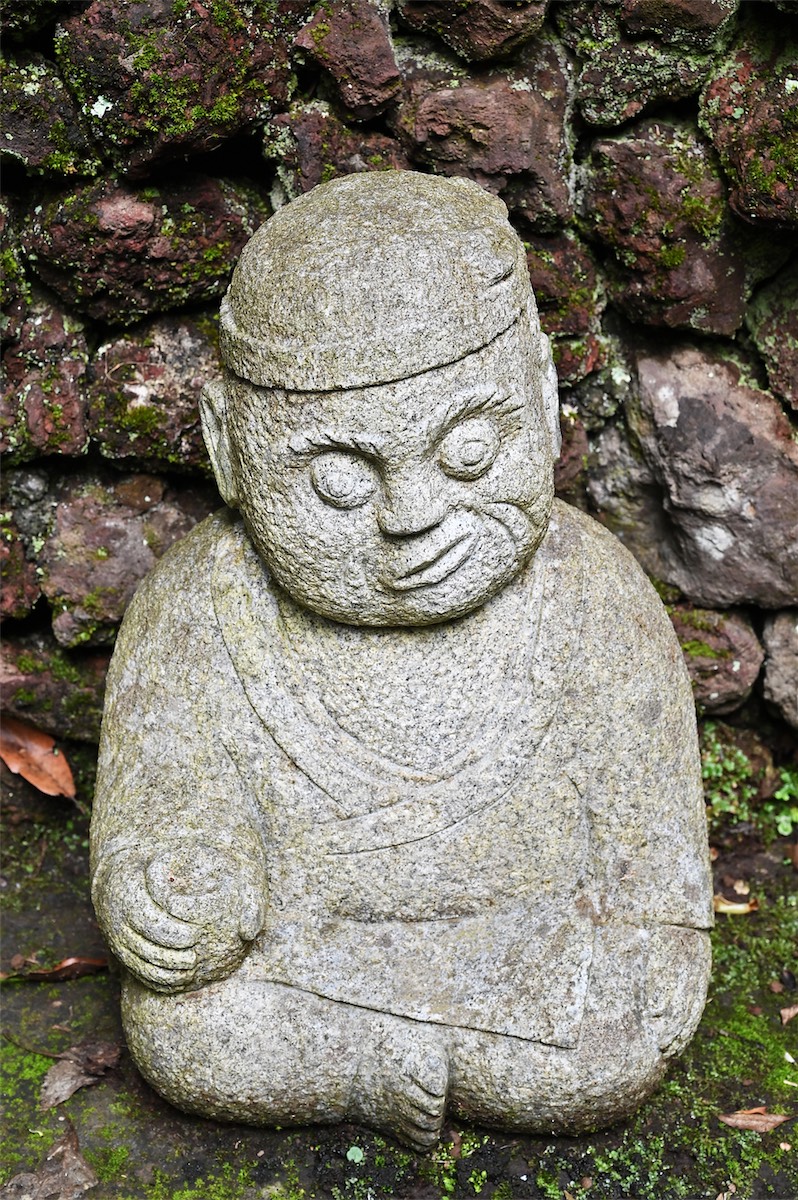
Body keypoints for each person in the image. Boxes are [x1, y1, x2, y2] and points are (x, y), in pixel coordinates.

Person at [91, 171, 712, 1149]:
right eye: (340, 478)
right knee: (186, 1029)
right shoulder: (198, 607)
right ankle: (362, 1068)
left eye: (467, 451)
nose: (413, 515)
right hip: (306, 962)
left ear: (543, 394)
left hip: (532, 950)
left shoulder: (594, 593)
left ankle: (418, 1059)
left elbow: (653, 856)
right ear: (229, 450)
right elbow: (163, 817)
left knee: (607, 1047)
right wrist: (166, 895)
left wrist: (651, 944)